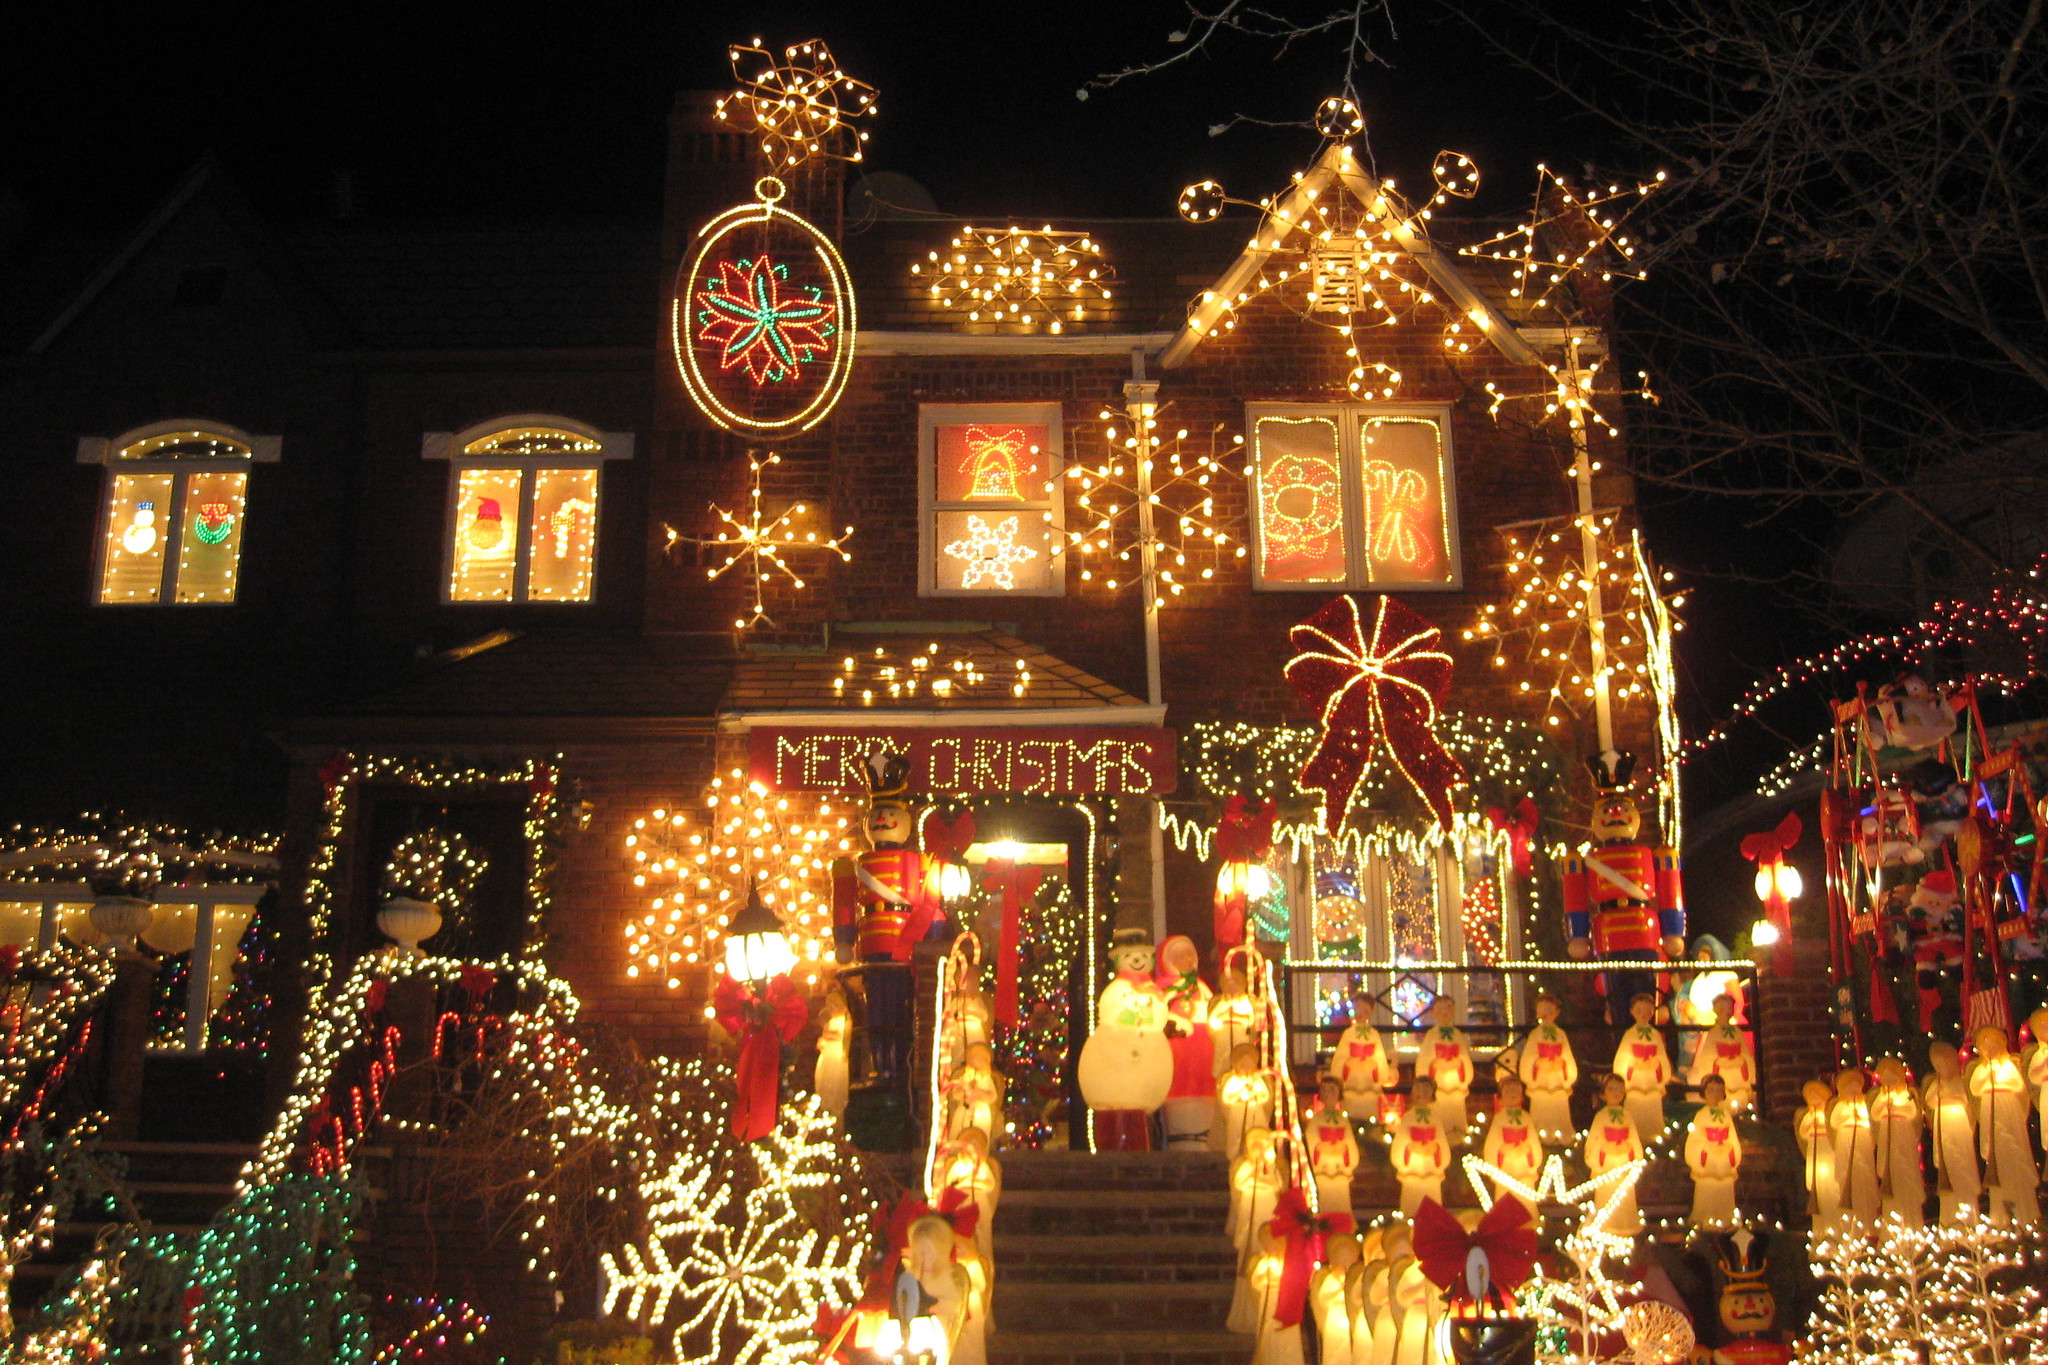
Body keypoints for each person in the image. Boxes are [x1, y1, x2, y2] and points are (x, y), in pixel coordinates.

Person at [1562, 753, 1685, 1025]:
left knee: (1647, 991)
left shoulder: (1656, 855)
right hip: (1609, 933)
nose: (1615, 814)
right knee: (1616, 994)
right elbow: (1576, 897)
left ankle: (1647, 1035)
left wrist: (1673, 930)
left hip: (1644, 931)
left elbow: (1669, 889)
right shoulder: (1586, 860)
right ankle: (1623, 1035)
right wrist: (1577, 934)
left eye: (1621, 808)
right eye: (1607, 810)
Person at [1966, 1025, 2040, 1226]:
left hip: (2007, 1107)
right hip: (1989, 1109)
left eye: (1993, 1045)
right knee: (1997, 1154)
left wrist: (1998, 1082)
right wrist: (1987, 1078)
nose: (1990, 1050)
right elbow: (1974, 1088)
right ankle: (2001, 1214)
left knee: (2013, 1149)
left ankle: (2025, 1211)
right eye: (1985, 1047)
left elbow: (2017, 1085)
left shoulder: (2008, 1065)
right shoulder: (1981, 1069)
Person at [1156, 934, 1217, 1150]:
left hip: (1205, 1053)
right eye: (1181, 956)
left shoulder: (1201, 987)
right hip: (1179, 1054)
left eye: (1190, 955)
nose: (1188, 960)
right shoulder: (1163, 989)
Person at [1923, 1041, 1979, 1222]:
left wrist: (1949, 1098)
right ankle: (1949, 1217)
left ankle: (1969, 1213)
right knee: (1948, 1159)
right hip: (1944, 1123)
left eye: (1945, 1064)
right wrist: (1937, 1094)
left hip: (1958, 1122)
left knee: (1962, 1159)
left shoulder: (1959, 1082)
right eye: (1938, 1066)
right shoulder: (1936, 1084)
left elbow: (1964, 1099)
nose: (1942, 1069)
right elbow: (1929, 1102)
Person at [1584, 1074, 1646, 1235]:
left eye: (1619, 1089)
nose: (1616, 1093)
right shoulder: (1601, 1116)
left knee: (1623, 1195)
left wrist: (1636, 1159)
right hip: (1607, 1162)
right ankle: (1606, 1225)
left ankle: (1625, 1224)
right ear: (1603, 1093)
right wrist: (1599, 1155)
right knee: (1608, 1194)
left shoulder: (1627, 1115)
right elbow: (1593, 1140)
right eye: (1611, 1089)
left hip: (1624, 1160)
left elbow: (1633, 1138)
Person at [1869, 1057, 1924, 1226]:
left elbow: (1912, 1111)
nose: (1889, 1082)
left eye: (1892, 1078)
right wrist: (1884, 1105)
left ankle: (1912, 1220)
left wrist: (1895, 1108)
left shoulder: (1907, 1094)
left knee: (1905, 1170)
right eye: (1885, 1078)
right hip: (1887, 1134)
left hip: (1903, 1133)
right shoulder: (1881, 1096)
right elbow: (1874, 1114)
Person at [1517, 993, 1579, 1142]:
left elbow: (1567, 1056)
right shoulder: (1535, 1035)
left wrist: (1563, 1067)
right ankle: (1541, 1136)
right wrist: (1537, 1063)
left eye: (1550, 1010)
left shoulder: (1561, 1034)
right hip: (1541, 1079)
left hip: (1557, 1078)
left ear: (1557, 1012)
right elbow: (1528, 1058)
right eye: (1543, 1009)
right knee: (1541, 1108)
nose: (1546, 1013)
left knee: (1558, 1107)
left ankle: (1562, 1137)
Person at [1612, 992, 1672, 1144]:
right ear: (1632, 1011)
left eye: (1648, 1010)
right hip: (1635, 1080)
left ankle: (1655, 1138)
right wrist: (1624, 1079)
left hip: (1652, 1078)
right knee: (1634, 1111)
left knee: (1652, 1111)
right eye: (1639, 1010)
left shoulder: (1655, 1035)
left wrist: (1662, 1077)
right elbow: (1622, 1058)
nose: (1644, 1014)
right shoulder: (1630, 1034)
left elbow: (1662, 1056)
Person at [1481, 1075, 1545, 1217]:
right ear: (1501, 1097)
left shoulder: (1526, 1117)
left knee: (1525, 1200)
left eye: (1516, 1090)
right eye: (1508, 1091)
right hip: (1506, 1167)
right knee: (1506, 1201)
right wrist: (1502, 1151)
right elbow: (1492, 1144)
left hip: (1523, 1167)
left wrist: (1529, 1152)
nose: (1513, 1094)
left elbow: (1534, 1141)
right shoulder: (1499, 1118)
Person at [1685, 1074, 1742, 1228]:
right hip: (1709, 1160)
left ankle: (1726, 1219)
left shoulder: (1726, 1114)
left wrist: (1731, 1149)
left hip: (1723, 1159)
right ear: (1704, 1093)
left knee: (1724, 1191)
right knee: (1708, 1191)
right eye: (1711, 1090)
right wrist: (1705, 1148)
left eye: (1719, 1090)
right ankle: (1706, 1220)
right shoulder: (1701, 1115)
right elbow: (1695, 1139)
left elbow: (1732, 1136)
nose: (1715, 1094)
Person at [1390, 1077, 1451, 1218]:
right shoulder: (1408, 1117)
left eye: (1426, 1090)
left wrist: (1435, 1147)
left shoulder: (1435, 1118)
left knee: (1431, 1204)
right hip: (1413, 1167)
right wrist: (1409, 1147)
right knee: (1412, 1203)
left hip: (1430, 1168)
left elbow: (1441, 1140)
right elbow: (1400, 1141)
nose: (1422, 1093)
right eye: (1418, 1089)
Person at [1332, 1000, 1399, 1125]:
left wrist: (1374, 1066)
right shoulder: (1348, 1034)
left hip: (1369, 1088)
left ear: (1370, 1013)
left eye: (1365, 1010)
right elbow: (1339, 1059)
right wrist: (1347, 1064)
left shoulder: (1374, 1034)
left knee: (1370, 1119)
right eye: (1358, 1009)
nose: (1361, 1013)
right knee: (1350, 1119)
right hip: (1351, 1086)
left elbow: (1380, 1061)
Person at [1686, 993, 1756, 1114]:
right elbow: (1707, 1057)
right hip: (1722, 1073)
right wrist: (1718, 1062)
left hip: (1737, 1076)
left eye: (1729, 1008)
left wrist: (1742, 1061)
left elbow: (1745, 1053)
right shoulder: (1713, 1032)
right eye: (1724, 1008)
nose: (1727, 1011)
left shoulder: (1737, 1032)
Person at [1420, 996, 1475, 1146]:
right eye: (1440, 1009)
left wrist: (1459, 1064)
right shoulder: (1431, 1036)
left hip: (1455, 1086)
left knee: (1456, 1114)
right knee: (1439, 1117)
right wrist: (1434, 1064)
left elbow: (1464, 1057)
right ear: (1433, 1012)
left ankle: (1460, 1140)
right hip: (1439, 1087)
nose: (1445, 1012)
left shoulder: (1458, 1035)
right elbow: (1424, 1060)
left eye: (1449, 1008)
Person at [1828, 1068, 1879, 1225]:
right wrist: (1849, 1116)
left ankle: (1869, 1217)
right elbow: (1834, 1122)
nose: (1854, 1091)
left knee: (1864, 1172)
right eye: (1849, 1088)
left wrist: (1860, 1117)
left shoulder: (1864, 1104)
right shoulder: (1840, 1106)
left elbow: (1871, 1120)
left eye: (1856, 1087)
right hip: (1846, 1139)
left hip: (1862, 1139)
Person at [1308, 1074, 1360, 1219]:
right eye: (1324, 1090)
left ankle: (1342, 1221)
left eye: (1332, 1090)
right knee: (1324, 1199)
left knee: (1341, 1200)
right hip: (1323, 1168)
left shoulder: (1342, 1120)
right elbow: (1311, 1141)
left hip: (1339, 1168)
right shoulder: (1317, 1119)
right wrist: (1319, 1149)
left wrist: (1347, 1157)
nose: (1328, 1094)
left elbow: (1350, 1143)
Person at [1794, 1078, 1842, 1233]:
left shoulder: (1828, 1115)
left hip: (1827, 1151)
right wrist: (1810, 1125)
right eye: (1811, 1098)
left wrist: (1821, 1124)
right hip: (1815, 1151)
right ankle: (1820, 1229)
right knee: (1819, 1193)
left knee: (1831, 1190)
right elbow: (1803, 1132)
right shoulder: (1808, 1116)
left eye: (1817, 1097)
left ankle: (1836, 1226)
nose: (1814, 1101)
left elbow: (1833, 1128)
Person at [1217, 1044, 1276, 1160]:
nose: (1246, 1069)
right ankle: (1236, 1155)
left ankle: (1258, 1153)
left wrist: (1255, 1095)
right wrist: (1239, 1094)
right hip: (1238, 1113)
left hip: (1255, 1112)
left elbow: (1264, 1095)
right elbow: (1226, 1098)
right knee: (1237, 1133)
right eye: (1243, 1066)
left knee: (1256, 1133)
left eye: (1249, 1066)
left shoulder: (1257, 1080)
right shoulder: (1233, 1080)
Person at [1311, 1234, 1362, 1365]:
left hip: (1352, 1317)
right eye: (1341, 1264)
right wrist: (1339, 1290)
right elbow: (1324, 1298)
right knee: (1336, 1352)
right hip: (1336, 1319)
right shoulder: (1331, 1280)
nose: (1345, 1268)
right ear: (1333, 1266)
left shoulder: (1357, 1279)